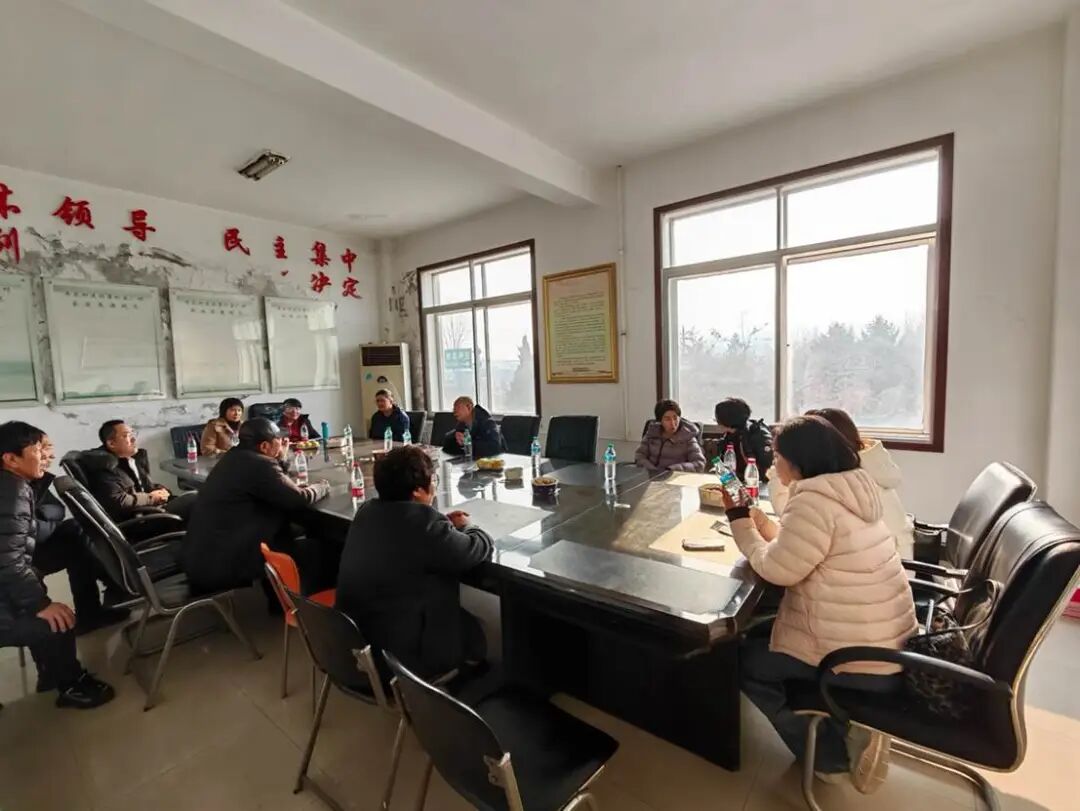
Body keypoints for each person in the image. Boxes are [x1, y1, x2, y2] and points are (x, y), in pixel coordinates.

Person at [721, 416, 916, 792]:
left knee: (740, 660)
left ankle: (831, 757)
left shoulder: (813, 502)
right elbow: (807, 548)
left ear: (799, 462)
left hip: (854, 656)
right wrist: (761, 524)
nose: (773, 464)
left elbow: (778, 569)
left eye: (778, 457)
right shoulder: (851, 488)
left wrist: (738, 520)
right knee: (758, 631)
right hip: (886, 642)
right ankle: (842, 725)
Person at [336, 445, 493, 679]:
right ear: (419, 491)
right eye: (433, 480)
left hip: (349, 649)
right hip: (395, 665)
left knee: (461, 619)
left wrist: (442, 529)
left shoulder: (366, 511)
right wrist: (468, 527)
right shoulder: (424, 525)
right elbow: (476, 548)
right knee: (476, 636)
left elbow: (408, 538)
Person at [0, 421, 116, 708]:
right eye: (38, 449)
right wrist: (40, 604)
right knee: (57, 620)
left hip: (8, 579)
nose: (47, 455)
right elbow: (8, 561)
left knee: (70, 541)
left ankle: (53, 675)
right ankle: (71, 686)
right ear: (11, 459)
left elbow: (50, 516)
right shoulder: (12, 490)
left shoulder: (16, 483)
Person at [182, 418, 330, 595]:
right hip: (227, 561)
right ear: (264, 446)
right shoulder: (259, 464)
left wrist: (280, 459)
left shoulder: (234, 456)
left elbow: (272, 484)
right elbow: (298, 498)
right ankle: (306, 604)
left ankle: (282, 599)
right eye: (278, 439)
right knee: (322, 548)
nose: (283, 442)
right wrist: (322, 486)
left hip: (205, 555)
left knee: (291, 529)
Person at [769, 408, 914, 558]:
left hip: (877, 564)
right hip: (895, 562)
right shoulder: (867, 467)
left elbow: (795, 518)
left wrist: (781, 470)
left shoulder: (844, 476)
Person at [31, 433, 129, 630]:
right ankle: (120, 585)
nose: (50, 455)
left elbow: (57, 509)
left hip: (37, 543)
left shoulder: (30, 480)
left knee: (77, 536)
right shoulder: (10, 489)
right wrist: (47, 519)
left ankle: (96, 609)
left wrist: (43, 517)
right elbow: (33, 531)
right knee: (77, 536)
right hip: (19, 559)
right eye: (42, 449)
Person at [81, 421, 197, 523]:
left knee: (198, 500)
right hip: (140, 520)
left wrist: (162, 491)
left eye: (133, 434)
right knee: (195, 499)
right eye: (126, 436)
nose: (133, 439)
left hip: (152, 510)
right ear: (111, 443)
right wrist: (151, 498)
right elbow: (119, 501)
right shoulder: (105, 467)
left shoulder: (130, 460)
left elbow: (142, 486)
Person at [635, 399, 706, 472]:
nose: (672, 423)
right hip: (651, 475)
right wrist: (652, 470)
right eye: (667, 419)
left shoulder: (687, 436)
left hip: (675, 476)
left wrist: (673, 469)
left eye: (675, 418)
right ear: (660, 421)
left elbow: (699, 464)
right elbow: (640, 456)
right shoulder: (652, 433)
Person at [714, 397, 773, 479]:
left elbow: (767, 471)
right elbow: (723, 471)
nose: (716, 423)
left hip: (758, 482)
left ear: (726, 420)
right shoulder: (728, 437)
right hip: (737, 482)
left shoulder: (757, 435)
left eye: (717, 419)